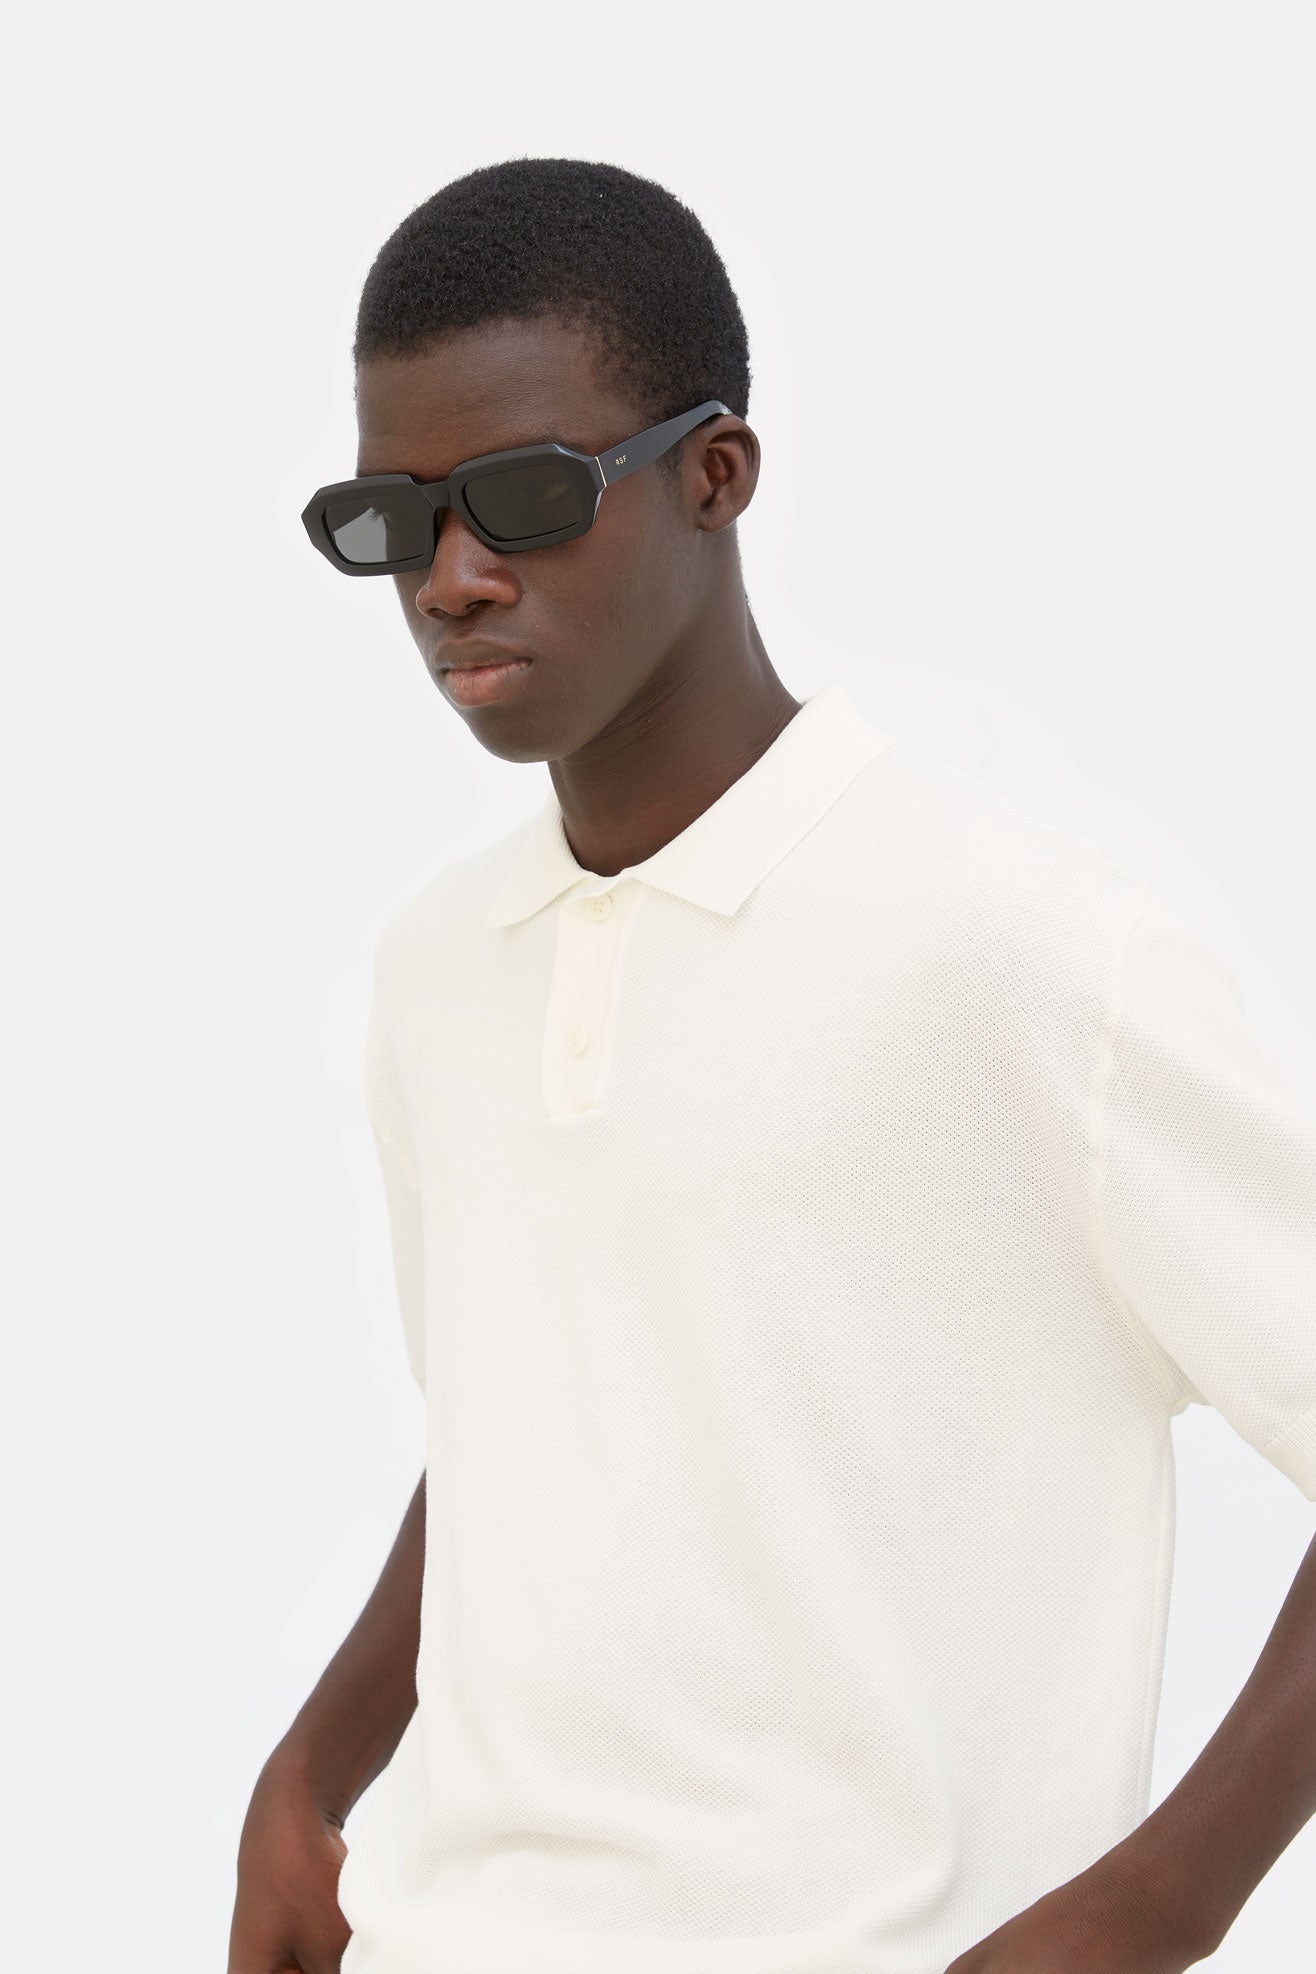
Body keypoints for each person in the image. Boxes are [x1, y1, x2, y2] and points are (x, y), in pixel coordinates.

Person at [229, 158, 1316, 1974]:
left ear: (716, 473)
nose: (453, 580)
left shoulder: (1019, 948)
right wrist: (308, 1771)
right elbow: (518, 1427)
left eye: (523, 496)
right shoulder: (433, 970)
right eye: (392, 521)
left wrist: (1156, 1905)